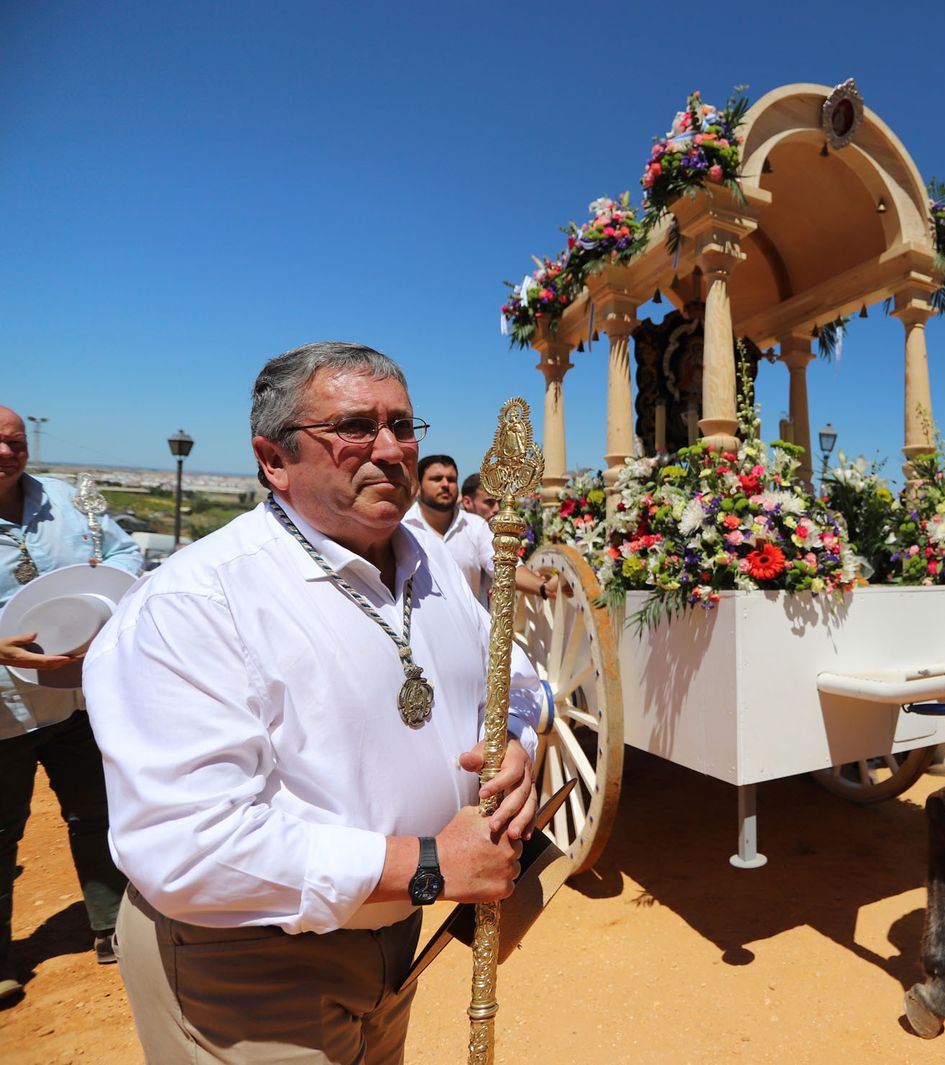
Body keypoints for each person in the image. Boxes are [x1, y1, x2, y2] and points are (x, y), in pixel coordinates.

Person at [84, 343, 553, 1064]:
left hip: (396, 943)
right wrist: (427, 862)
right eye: (356, 427)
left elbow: (515, 674)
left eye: (403, 423)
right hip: (251, 971)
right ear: (274, 458)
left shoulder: (431, 564)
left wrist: (517, 738)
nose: (392, 449)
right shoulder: (195, 603)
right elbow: (186, 844)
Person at [0, 405, 143, 1005]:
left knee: (95, 812)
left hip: (77, 692)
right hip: (3, 709)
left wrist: (102, 587)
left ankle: (112, 926)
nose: (9, 451)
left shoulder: (65, 499)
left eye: (16, 440)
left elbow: (127, 553)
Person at [402, 455, 545, 604]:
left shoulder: (476, 526)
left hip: (468, 625)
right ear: (418, 487)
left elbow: (504, 564)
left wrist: (543, 587)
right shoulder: (403, 527)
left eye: (451, 479)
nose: (445, 484)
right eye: (437, 479)